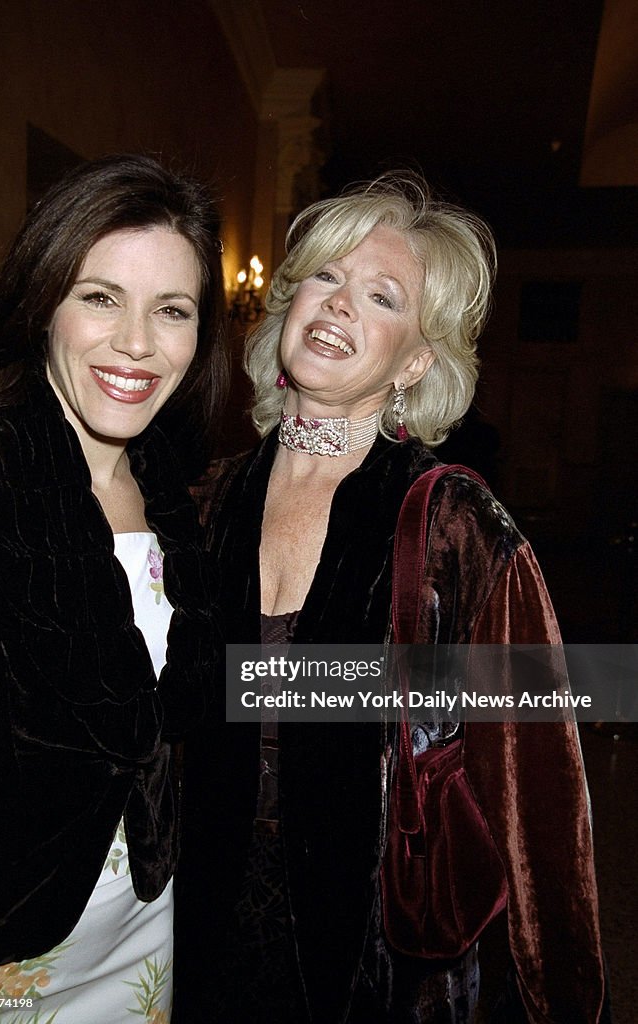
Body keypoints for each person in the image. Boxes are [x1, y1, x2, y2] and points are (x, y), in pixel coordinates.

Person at [182, 173, 606, 1023]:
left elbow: (538, 806)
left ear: (416, 360)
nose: (338, 304)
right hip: (195, 934)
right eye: (325, 277)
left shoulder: (458, 527)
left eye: (380, 296)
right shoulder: (200, 501)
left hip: (376, 963)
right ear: (287, 301)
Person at [0, 154, 228, 1022]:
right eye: (101, 297)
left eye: (173, 311)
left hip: (142, 931)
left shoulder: (171, 484)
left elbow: (193, 698)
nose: (139, 344)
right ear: (43, 303)